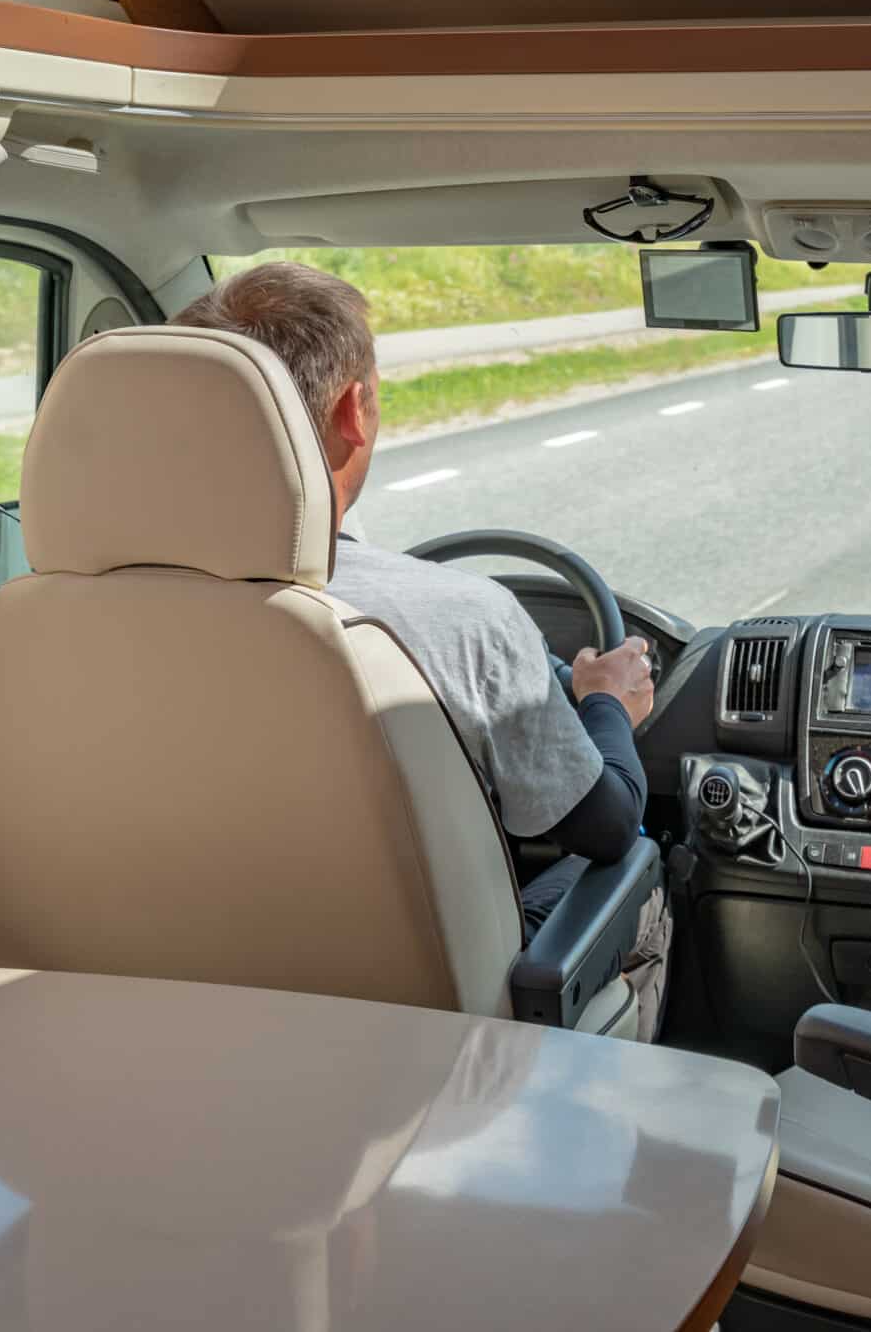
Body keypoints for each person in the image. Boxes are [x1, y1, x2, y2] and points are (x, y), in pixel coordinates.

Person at [174, 262, 672, 1037]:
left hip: (158, 1007)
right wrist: (607, 703)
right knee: (639, 869)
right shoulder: (458, 615)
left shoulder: (49, 619)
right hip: (418, 1043)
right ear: (353, 411)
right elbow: (606, 826)